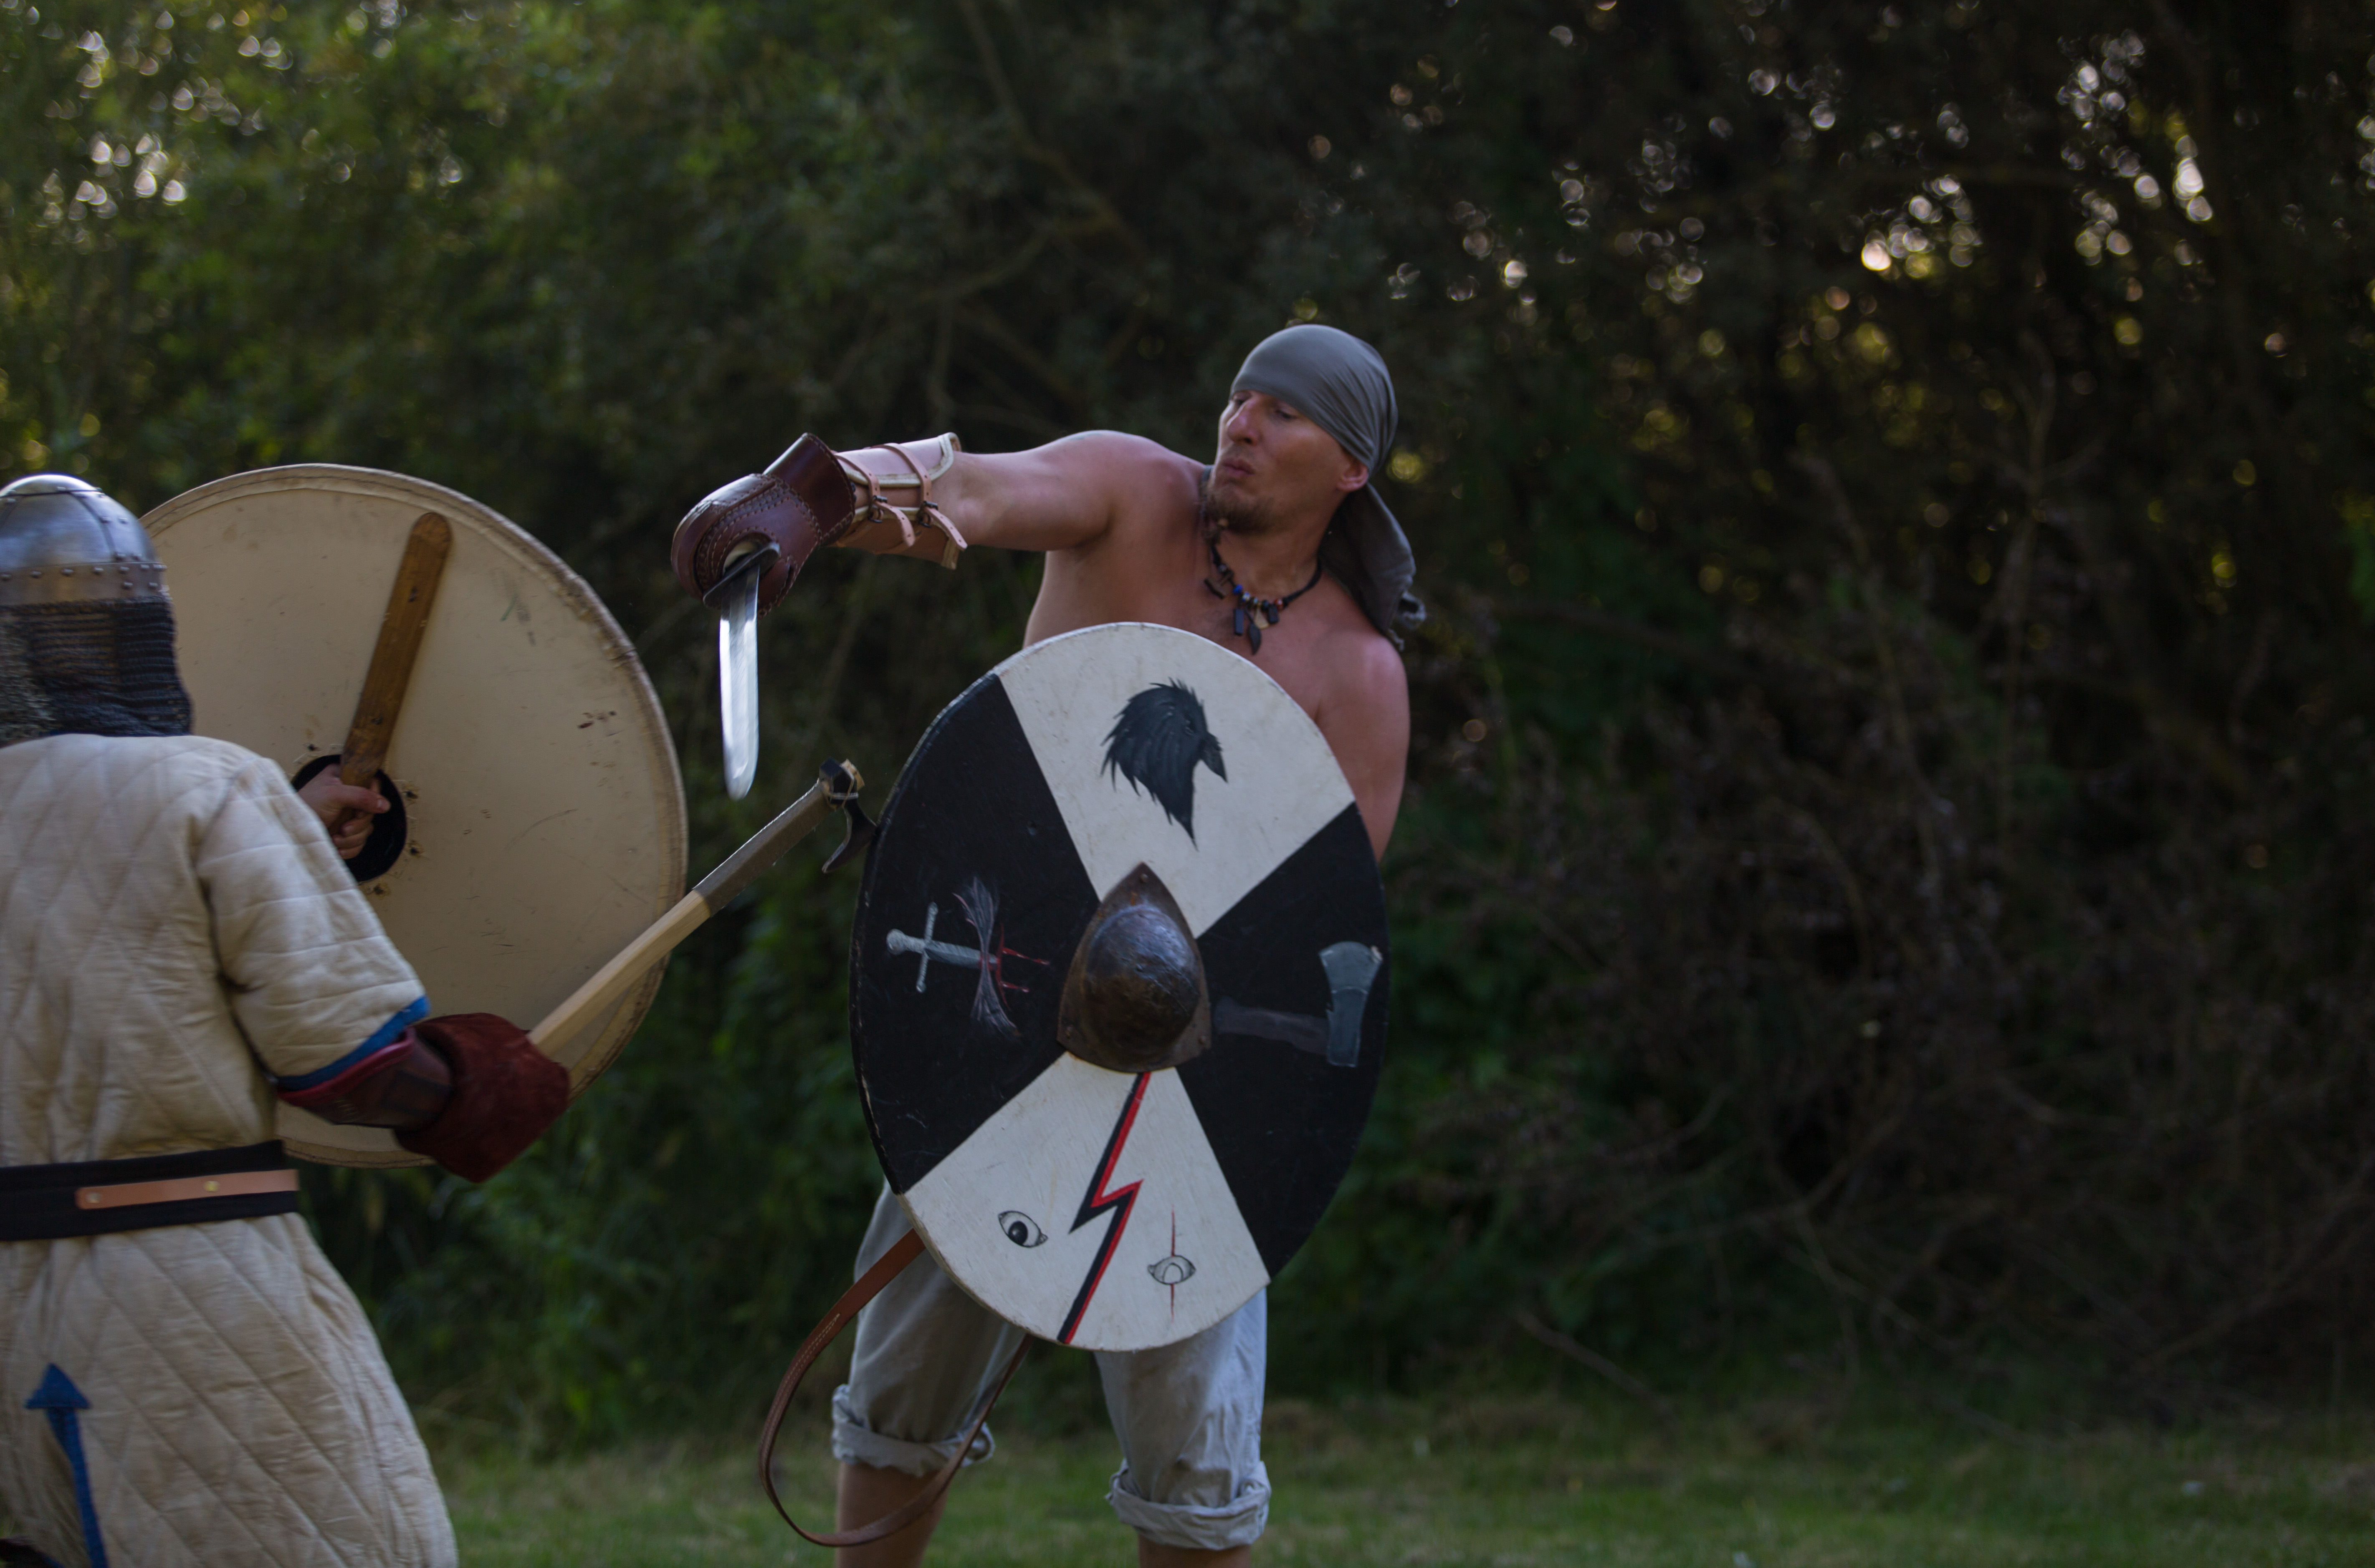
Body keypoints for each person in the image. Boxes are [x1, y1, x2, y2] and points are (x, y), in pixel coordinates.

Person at [673, 323, 1416, 1566]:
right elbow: (970, 489)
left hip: (1188, 1070)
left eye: (1284, 413)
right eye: (1241, 396)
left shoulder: (1358, 674)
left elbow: (1316, 931)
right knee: (904, 1389)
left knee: (1197, 1452)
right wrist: (817, 498)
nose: (1241, 422)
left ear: (1352, 466)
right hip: (1000, 1004)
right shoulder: (1130, 496)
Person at [0, 473, 573, 1568]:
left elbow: (103, 918)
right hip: (187, 1298)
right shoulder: (210, 790)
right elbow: (347, 1069)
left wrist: (291, 836)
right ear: (140, 631)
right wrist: (474, 1088)